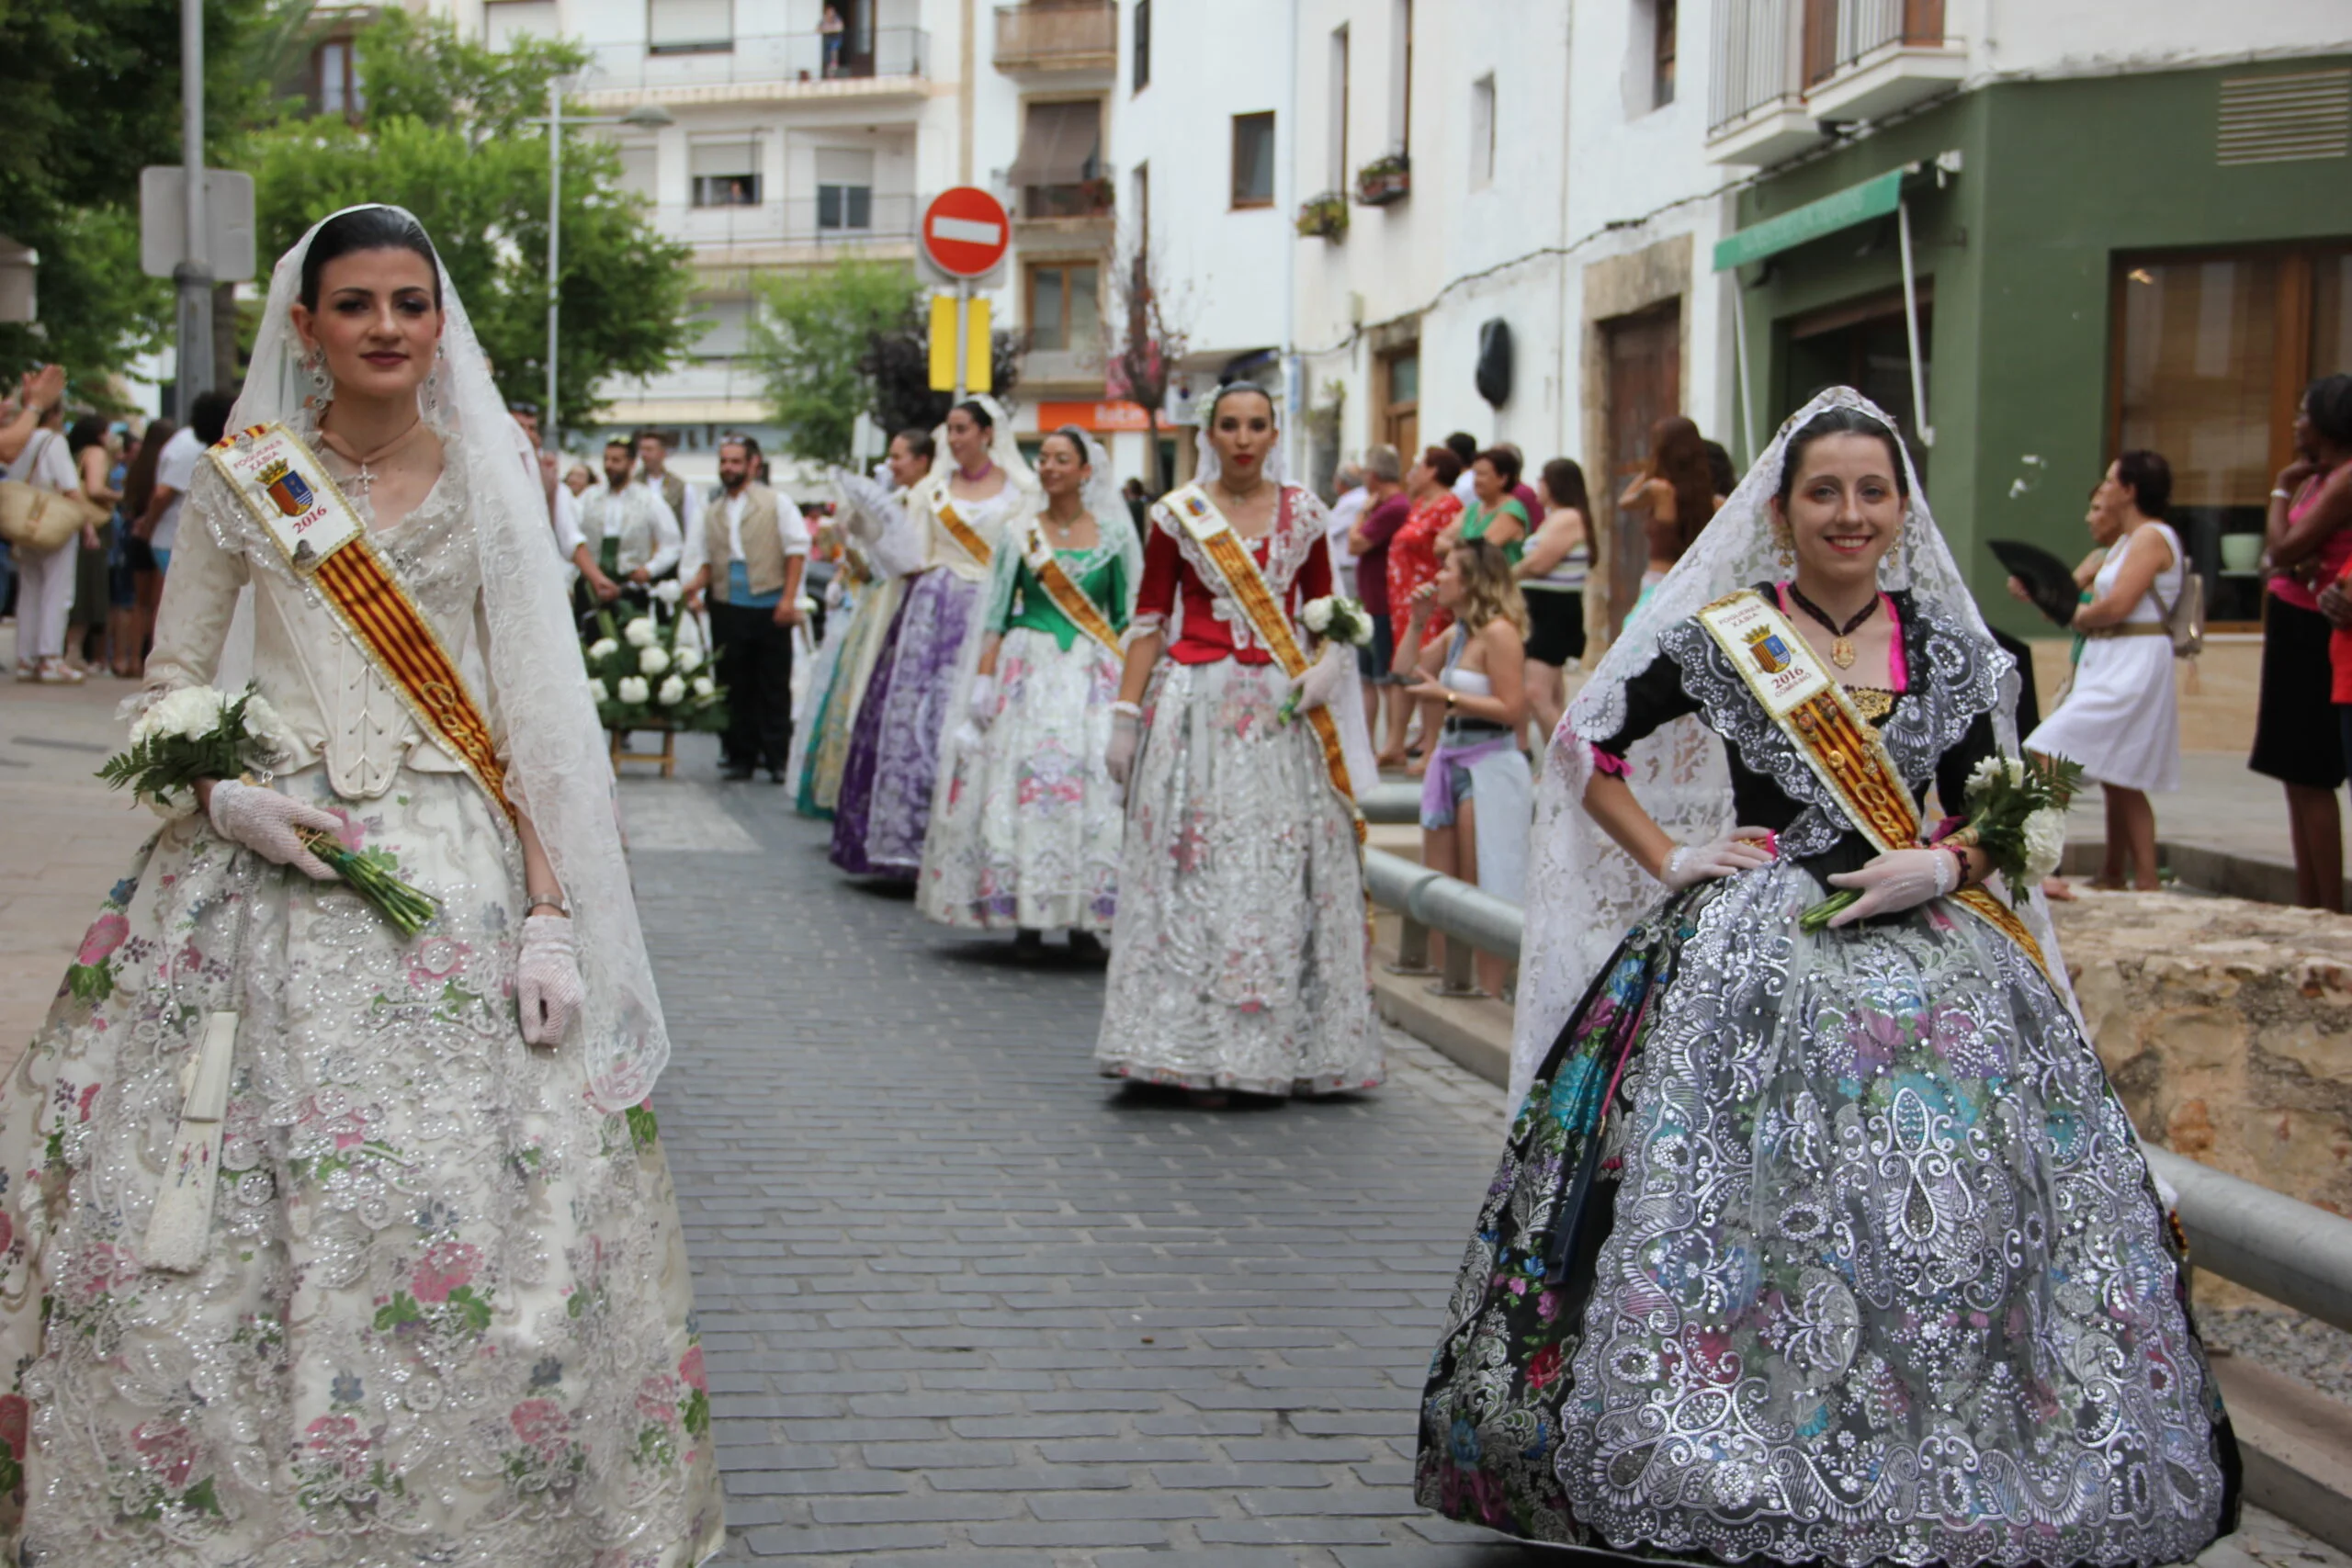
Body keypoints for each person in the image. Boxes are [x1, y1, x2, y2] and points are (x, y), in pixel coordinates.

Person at [0, 205, 721, 1564]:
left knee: (468, 1202)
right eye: (356, 303)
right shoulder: (244, 477)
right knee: (234, 1206)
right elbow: (172, 680)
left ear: (439, 323)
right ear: (304, 323)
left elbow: (535, 727)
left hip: (456, 871)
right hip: (258, 883)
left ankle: (476, 1506)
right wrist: (223, 791)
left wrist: (555, 914)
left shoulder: (495, 478)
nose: (386, 326)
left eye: (409, 301)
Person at [1417, 390, 2237, 1564]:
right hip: (1756, 961)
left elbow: (2006, 810)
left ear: (1902, 509)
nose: (1848, 515)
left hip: (1938, 966)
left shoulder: (1967, 652)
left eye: (1871, 492)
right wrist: (1672, 853)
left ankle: (1943, 1443)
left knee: (1953, 1217)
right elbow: (1584, 746)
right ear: (1783, 510)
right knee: (1741, 1213)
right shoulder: (1721, 635)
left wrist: (1944, 861)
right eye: (1823, 493)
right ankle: (1736, 1430)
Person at [1094, 382, 1383, 1104]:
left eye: (1257, 425)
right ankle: (1189, 1046)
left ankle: (1278, 1048)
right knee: (1199, 870)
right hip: (1198, 710)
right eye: (1230, 426)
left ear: (1274, 430)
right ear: (1211, 434)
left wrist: (1329, 666)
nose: (1244, 438)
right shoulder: (1176, 516)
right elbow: (1151, 617)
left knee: (1277, 870)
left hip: (1283, 713)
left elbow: (1328, 611)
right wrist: (1126, 713)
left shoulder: (1307, 514)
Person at [919, 426, 1138, 953]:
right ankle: (1026, 913)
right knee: (1023, 784)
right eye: (1044, 459)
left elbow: (1128, 617)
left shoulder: (1115, 536)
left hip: (1093, 674)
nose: (1050, 467)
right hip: (1028, 668)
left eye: (1063, 459)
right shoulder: (1019, 532)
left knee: (1092, 788)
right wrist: (985, 681)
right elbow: (994, 613)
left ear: (1086, 472)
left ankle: (1088, 914)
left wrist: (1134, 690)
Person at [831, 398, 1035, 878]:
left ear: (988, 433)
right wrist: (873, 535)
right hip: (933, 610)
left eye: (963, 429)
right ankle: (906, 840)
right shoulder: (930, 492)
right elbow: (909, 557)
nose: (955, 438)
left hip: (990, 609)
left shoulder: (1023, 492)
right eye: (951, 430)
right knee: (917, 721)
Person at [2018, 452, 2182, 891]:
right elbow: (2072, 595)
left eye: (2111, 480)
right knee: (2119, 773)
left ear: (2129, 490)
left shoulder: (2151, 536)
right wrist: (2037, 591)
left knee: (2050, 750)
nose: (2103, 487)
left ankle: (2043, 861)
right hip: (2110, 658)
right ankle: (2130, 876)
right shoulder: (2123, 543)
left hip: (2133, 659)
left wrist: (2080, 618)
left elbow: (2116, 605)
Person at [1394, 538, 1530, 997]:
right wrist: (1415, 624)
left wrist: (1447, 698)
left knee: (1484, 881)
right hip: (1448, 760)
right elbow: (1406, 673)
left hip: (1487, 765)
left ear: (1472, 580)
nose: (1438, 578)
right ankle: (1447, 980)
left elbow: (1512, 708)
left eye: (1447, 570)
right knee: (1442, 883)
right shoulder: (1459, 633)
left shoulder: (1499, 632)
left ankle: (1490, 991)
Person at [799, 429, 934, 817]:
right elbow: (870, 568)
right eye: (890, 457)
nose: (892, 465)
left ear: (922, 460)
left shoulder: (926, 503)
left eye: (899, 457)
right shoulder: (896, 501)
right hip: (876, 600)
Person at [2259, 373, 2352, 911]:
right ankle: (2308, 899)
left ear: (2329, 421)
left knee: (2313, 770)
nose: (2295, 422)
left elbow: (2284, 545)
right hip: (2293, 617)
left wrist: (2278, 488)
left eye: (2303, 413)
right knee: (2293, 773)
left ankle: (2328, 904)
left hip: (2319, 624)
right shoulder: (2318, 480)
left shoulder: (2343, 480)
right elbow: (2280, 556)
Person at [685, 435, 809, 783]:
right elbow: (711, 560)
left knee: (772, 684)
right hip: (727, 604)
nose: (728, 468)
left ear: (753, 464)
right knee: (733, 683)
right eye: (724, 461)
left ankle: (776, 757)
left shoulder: (776, 502)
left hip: (768, 603)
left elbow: (796, 550)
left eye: (736, 461)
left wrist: (788, 599)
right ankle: (740, 755)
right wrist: (694, 586)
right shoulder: (713, 510)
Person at [136, 394, 237, 671]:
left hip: (176, 538)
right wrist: (149, 525)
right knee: (180, 604)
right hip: (173, 539)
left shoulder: (206, 449)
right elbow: (163, 493)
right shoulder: (190, 449)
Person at [1379, 446, 1463, 771]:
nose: (1411, 473)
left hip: (1431, 596)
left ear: (1433, 472)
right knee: (1402, 667)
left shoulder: (1449, 506)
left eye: (1418, 466)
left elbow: (1446, 549)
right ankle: (1395, 742)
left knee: (1425, 667)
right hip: (1404, 600)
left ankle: (1431, 743)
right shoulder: (1419, 505)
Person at [5, 402, 93, 684]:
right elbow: (70, 487)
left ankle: (25, 658)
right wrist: (87, 524)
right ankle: (50, 658)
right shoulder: (54, 441)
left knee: (29, 589)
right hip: (52, 519)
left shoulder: (19, 440)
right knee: (57, 590)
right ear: (55, 415)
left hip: (24, 518)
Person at [1517, 456, 1592, 741]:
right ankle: (1562, 761)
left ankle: (1569, 761)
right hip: (1542, 608)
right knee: (1552, 692)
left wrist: (1507, 576)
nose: (1538, 486)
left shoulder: (1568, 517)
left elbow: (1539, 563)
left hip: (1552, 611)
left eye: (1542, 479)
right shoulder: (1557, 518)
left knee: (1536, 692)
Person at [1617, 412, 1721, 609]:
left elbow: (1625, 501)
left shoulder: (1659, 490)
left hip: (1659, 582)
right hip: (1695, 584)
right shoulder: (1713, 502)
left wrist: (1651, 466)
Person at [573, 435, 682, 617]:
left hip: (631, 589)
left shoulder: (649, 500)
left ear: (631, 463)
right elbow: (571, 537)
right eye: (606, 459)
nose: (609, 465)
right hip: (591, 585)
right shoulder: (588, 497)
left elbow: (673, 543)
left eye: (616, 460)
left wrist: (650, 569)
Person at [117, 416, 176, 672]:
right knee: (158, 604)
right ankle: (151, 660)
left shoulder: (137, 468)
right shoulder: (166, 466)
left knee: (138, 603)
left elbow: (127, 500)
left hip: (136, 537)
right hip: (159, 533)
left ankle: (130, 660)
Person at [65, 416, 121, 675]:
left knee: (76, 584)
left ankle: (71, 649)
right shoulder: (97, 453)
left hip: (75, 523)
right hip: (93, 525)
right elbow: (95, 488)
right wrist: (121, 496)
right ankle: (73, 650)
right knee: (88, 587)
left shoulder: (77, 453)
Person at [1442, 446, 1530, 563]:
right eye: (1475, 474)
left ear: (1502, 479)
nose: (1476, 481)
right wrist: (1463, 549)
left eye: (1482, 474)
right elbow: (1439, 543)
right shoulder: (1473, 508)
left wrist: (1456, 546)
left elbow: (1482, 551)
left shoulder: (1512, 511)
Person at [637, 429, 700, 545]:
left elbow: (691, 527)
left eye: (649, 450)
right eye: (642, 450)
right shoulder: (633, 484)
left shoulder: (681, 488)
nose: (644, 455)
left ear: (663, 453)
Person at [820, 2, 846, 74]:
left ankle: (833, 71)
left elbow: (839, 27)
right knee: (827, 58)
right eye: (829, 12)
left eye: (832, 11)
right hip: (827, 41)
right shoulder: (824, 19)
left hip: (836, 40)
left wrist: (828, 28)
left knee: (833, 51)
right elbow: (819, 28)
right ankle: (829, 74)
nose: (830, 13)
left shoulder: (837, 18)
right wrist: (830, 28)